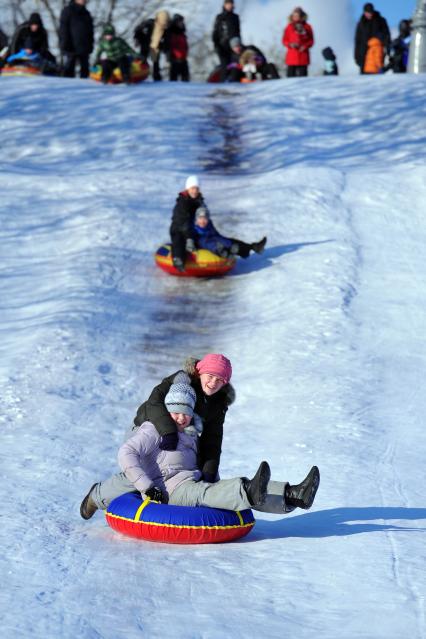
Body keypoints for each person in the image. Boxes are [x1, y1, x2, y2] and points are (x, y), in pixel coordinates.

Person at [80, 376, 320, 519]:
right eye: (175, 412)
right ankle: (247, 490)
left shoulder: (192, 433)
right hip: (169, 489)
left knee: (221, 488)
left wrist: (210, 475)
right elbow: (126, 453)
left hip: (188, 481)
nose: (181, 418)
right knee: (211, 495)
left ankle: (292, 495)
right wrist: (147, 488)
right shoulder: (153, 430)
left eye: (185, 413)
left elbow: (208, 449)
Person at [193, 206, 266, 259]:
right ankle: (224, 252)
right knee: (209, 242)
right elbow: (203, 242)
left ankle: (253, 247)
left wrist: (229, 243)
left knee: (229, 241)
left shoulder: (209, 225)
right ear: (196, 220)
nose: (202, 221)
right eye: (200, 218)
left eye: (205, 218)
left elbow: (217, 236)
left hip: (214, 240)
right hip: (207, 245)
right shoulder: (194, 229)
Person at [169, 175, 206, 272]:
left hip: (192, 229)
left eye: (197, 188)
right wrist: (189, 238)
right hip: (178, 228)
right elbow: (183, 222)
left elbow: (204, 215)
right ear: (188, 189)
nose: (194, 191)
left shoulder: (199, 201)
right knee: (179, 241)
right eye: (192, 188)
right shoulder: (182, 203)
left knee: (206, 238)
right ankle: (178, 260)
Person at [59, 0, 94, 78]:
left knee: (85, 71)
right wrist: (64, 43)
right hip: (71, 45)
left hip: (84, 46)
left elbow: (90, 31)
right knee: (69, 70)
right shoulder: (68, 10)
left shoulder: (86, 13)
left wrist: (91, 44)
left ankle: (85, 88)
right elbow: (63, 29)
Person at [354, 3, 390, 75]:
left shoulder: (380, 21)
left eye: (371, 12)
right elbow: (357, 40)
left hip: (377, 51)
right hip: (363, 54)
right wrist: (356, 56)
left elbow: (387, 35)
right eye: (367, 12)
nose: (369, 14)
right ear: (364, 12)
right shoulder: (361, 23)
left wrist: (387, 47)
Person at [212, 0, 241, 81]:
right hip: (222, 46)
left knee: (235, 66)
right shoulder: (219, 17)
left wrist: (239, 45)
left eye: (231, 4)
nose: (230, 5)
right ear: (224, 5)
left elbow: (238, 32)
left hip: (234, 46)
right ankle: (223, 84)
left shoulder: (235, 17)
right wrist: (216, 45)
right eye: (228, 4)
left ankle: (234, 84)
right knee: (224, 66)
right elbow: (215, 32)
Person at [282, 7, 314, 78]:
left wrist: (305, 46)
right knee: (290, 79)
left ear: (302, 16)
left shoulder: (307, 27)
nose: (296, 17)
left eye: (297, 16)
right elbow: (284, 40)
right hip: (291, 57)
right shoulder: (289, 27)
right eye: (294, 16)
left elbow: (311, 41)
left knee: (303, 79)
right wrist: (290, 44)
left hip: (303, 57)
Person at [149, 10, 171, 81]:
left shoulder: (167, 29)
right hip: (152, 46)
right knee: (155, 61)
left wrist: (168, 59)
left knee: (156, 61)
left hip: (160, 45)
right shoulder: (150, 25)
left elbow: (167, 43)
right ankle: (155, 75)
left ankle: (157, 75)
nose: (164, 24)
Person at [168, 14, 189, 81]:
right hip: (175, 59)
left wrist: (184, 55)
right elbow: (172, 46)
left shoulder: (182, 34)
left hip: (183, 58)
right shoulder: (171, 34)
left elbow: (185, 46)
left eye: (182, 22)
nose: (181, 23)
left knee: (186, 78)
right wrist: (178, 56)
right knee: (174, 80)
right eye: (179, 22)